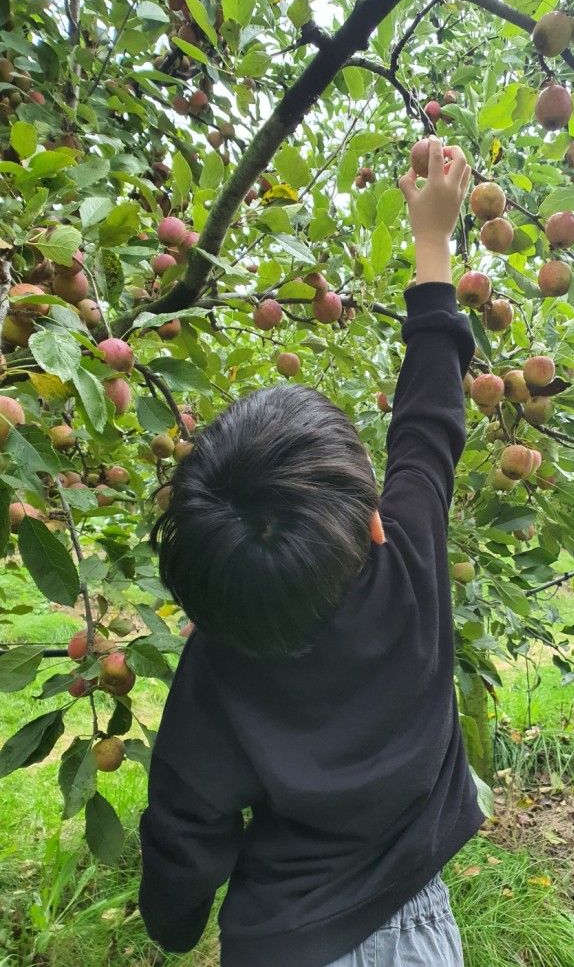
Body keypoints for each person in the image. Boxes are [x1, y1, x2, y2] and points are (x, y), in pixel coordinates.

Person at [138, 136, 485, 967]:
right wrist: (431, 238)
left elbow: (185, 822)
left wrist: (174, 922)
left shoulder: (219, 667)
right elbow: (428, 420)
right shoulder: (407, 568)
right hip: (415, 933)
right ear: (373, 520)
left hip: (280, 941)